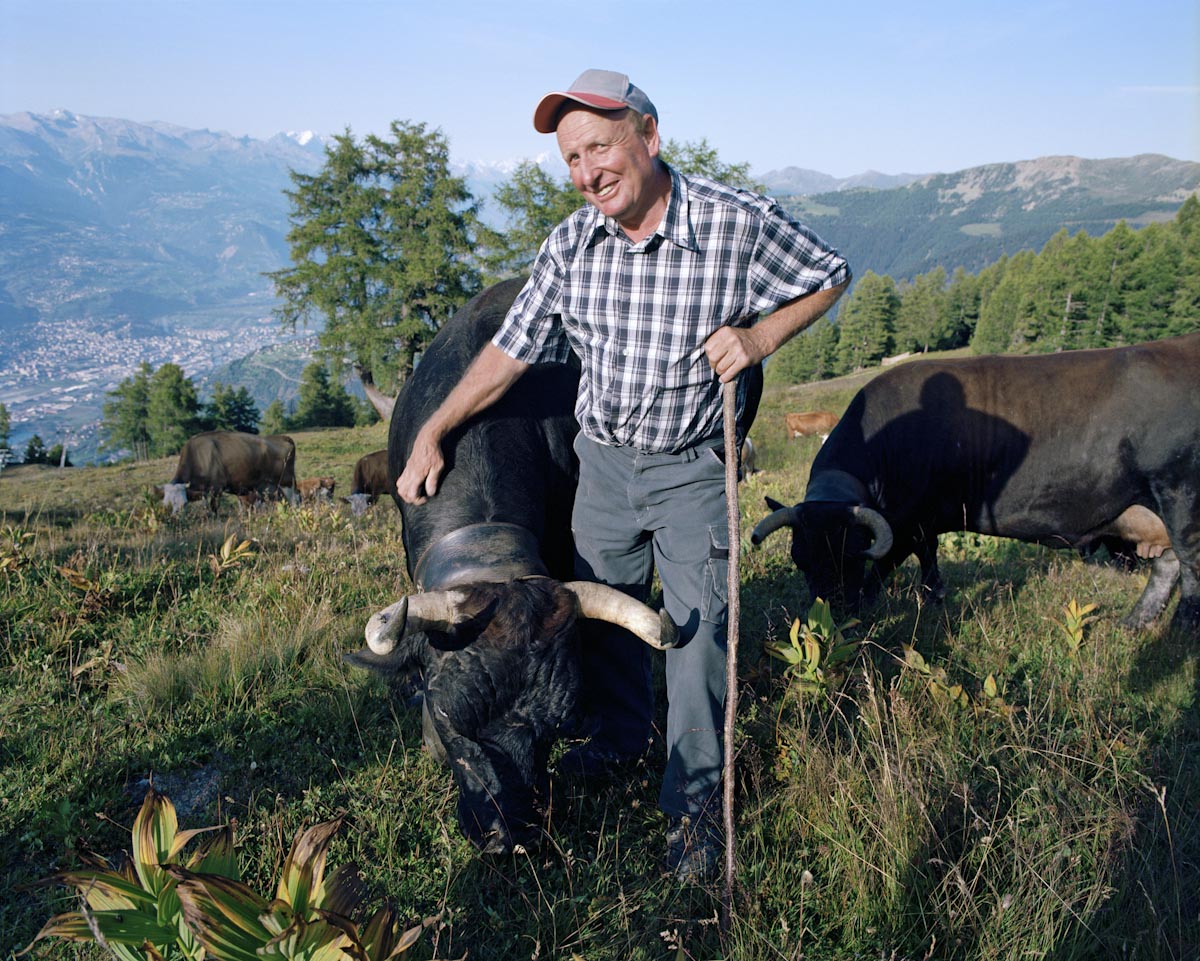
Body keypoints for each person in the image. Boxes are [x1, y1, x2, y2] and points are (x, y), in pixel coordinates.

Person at [397, 68, 850, 881]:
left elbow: (829, 274)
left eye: (598, 146)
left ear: (648, 134)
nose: (587, 171)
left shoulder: (733, 222)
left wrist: (759, 339)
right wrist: (432, 427)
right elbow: (509, 352)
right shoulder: (573, 243)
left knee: (695, 635)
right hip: (599, 467)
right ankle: (616, 739)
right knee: (591, 613)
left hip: (688, 468)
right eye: (571, 158)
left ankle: (696, 809)